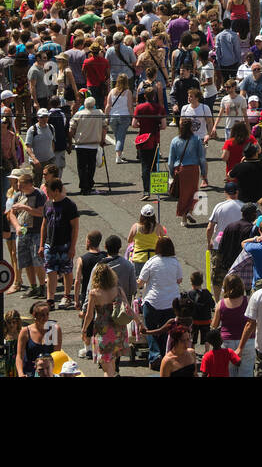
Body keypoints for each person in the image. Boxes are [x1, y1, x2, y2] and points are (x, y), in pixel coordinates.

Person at [80, 261, 136, 377]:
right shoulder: (118, 290)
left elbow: (89, 315)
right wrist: (139, 322)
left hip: (103, 333)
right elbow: (128, 308)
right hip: (118, 331)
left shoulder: (94, 294)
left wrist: (84, 329)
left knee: (107, 368)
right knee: (113, 364)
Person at [137, 237, 183, 368]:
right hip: (171, 302)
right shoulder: (175, 262)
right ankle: (165, 354)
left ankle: (155, 355)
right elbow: (179, 280)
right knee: (167, 330)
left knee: (150, 329)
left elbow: (141, 281)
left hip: (153, 301)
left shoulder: (152, 262)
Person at [40, 181, 80, 308]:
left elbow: (75, 227)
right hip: (49, 244)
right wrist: (41, 244)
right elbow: (44, 224)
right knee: (50, 271)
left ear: (57, 190)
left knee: (66, 270)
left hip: (65, 244)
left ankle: (67, 296)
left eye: (49, 191)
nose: (48, 194)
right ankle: (50, 299)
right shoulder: (47, 204)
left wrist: (72, 247)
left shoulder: (69, 205)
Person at [167, 119, 206, 225]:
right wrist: (204, 172)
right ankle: (189, 210)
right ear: (191, 127)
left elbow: (170, 160)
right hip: (193, 168)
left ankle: (184, 219)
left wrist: (172, 173)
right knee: (193, 192)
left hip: (180, 169)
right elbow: (202, 158)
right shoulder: (196, 139)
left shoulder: (175, 140)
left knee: (182, 194)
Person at [16, 301, 60, 377]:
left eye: (47, 314)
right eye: (42, 315)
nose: (46, 318)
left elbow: (57, 355)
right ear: (34, 315)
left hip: (49, 371)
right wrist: (20, 373)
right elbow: (20, 356)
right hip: (30, 372)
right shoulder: (25, 332)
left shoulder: (55, 329)